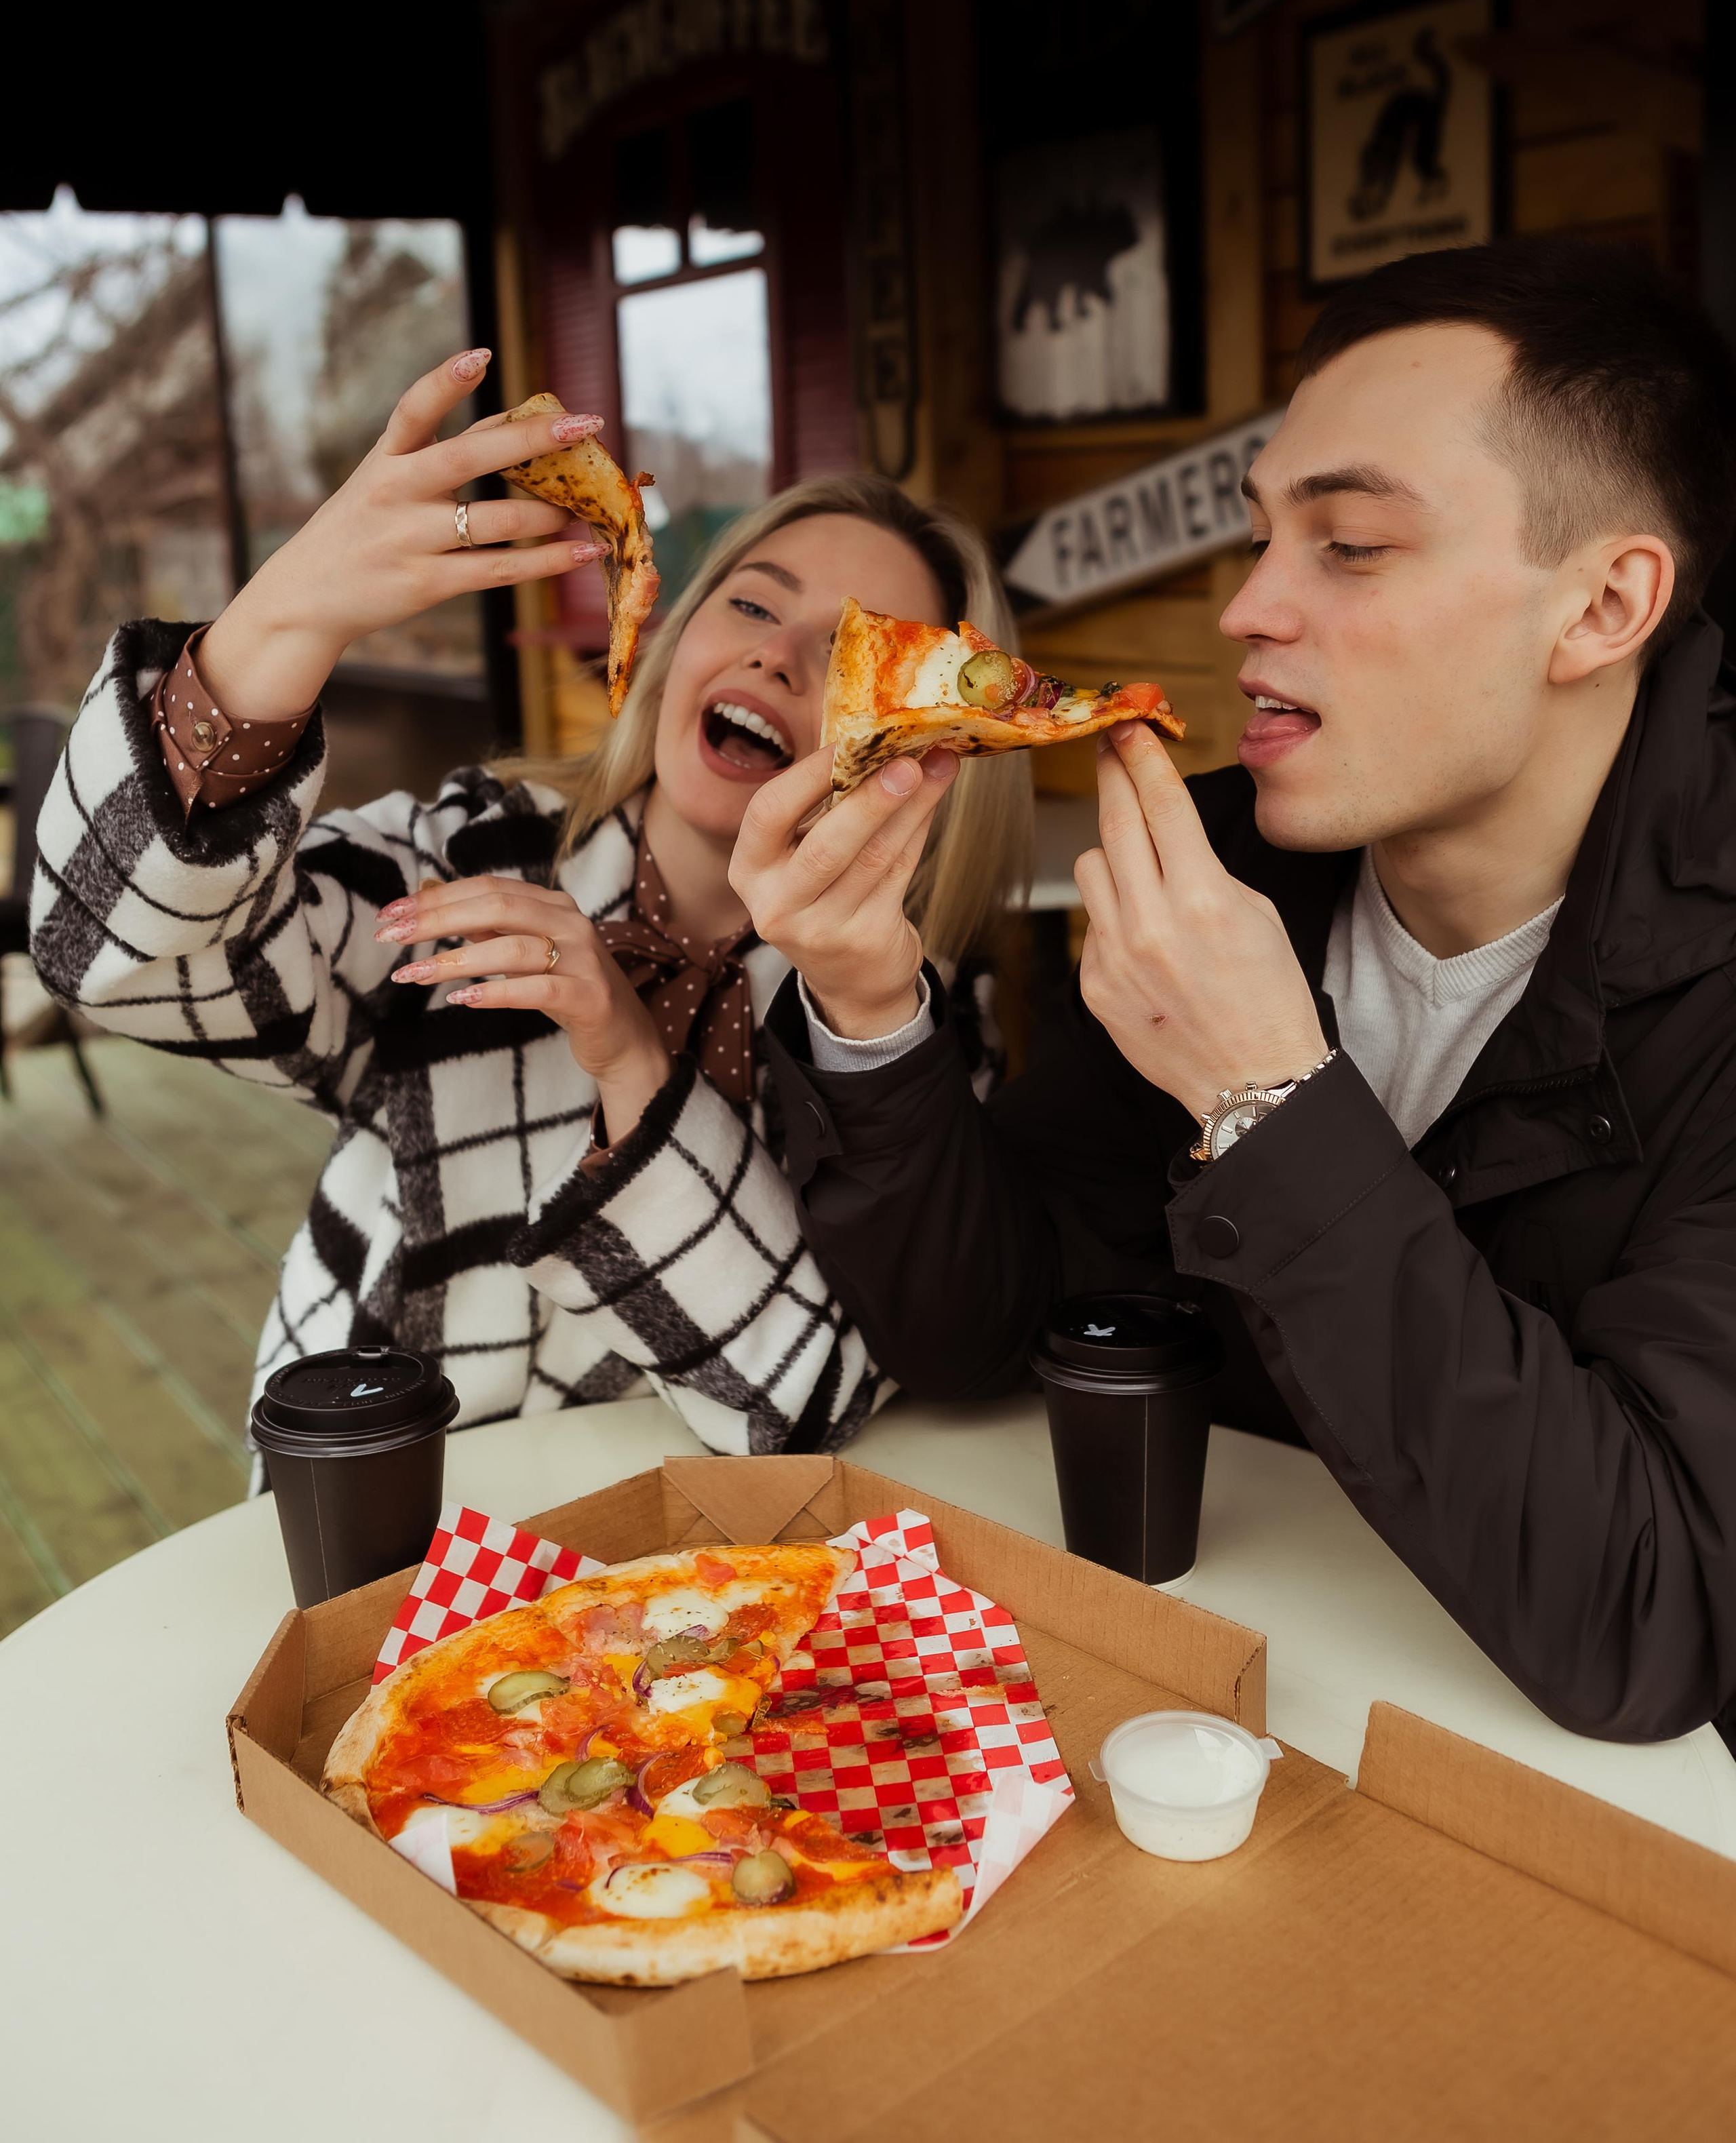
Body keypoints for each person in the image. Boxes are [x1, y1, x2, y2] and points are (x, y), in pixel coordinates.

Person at [735, 239, 1736, 1749]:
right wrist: (869, 1008)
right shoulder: (1213, 864)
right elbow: (983, 1329)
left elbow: (1649, 1620)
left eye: (1347, 546)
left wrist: (1263, 1095)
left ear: (1600, 608)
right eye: (1259, 534)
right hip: (1201, 1717)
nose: (1244, 607)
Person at [29, 353, 1027, 1453]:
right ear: (675, 629)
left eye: (860, 659)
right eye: (751, 602)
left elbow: (817, 1397)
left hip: (707, 1582)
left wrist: (632, 1061)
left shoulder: (902, 1020)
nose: (778, 656)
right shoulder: (460, 861)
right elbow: (109, 954)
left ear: (931, 751)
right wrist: (273, 633)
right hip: (393, 1545)